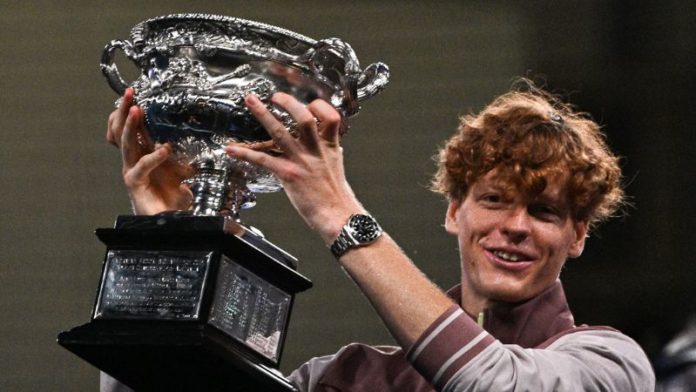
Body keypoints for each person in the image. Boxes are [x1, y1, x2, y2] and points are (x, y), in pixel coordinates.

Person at [103, 81, 655, 391]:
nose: (514, 226)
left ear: (578, 235)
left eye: (544, 211)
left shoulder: (610, 365)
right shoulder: (352, 378)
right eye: (493, 200)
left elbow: (492, 384)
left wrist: (337, 210)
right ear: (454, 210)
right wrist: (168, 244)